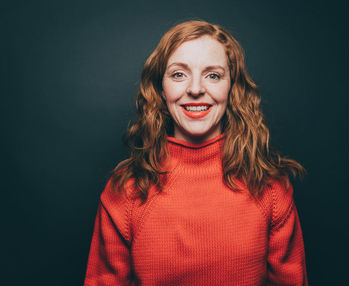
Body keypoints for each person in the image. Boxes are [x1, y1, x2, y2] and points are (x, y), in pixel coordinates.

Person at [84, 20, 308, 285]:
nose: (195, 89)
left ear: (231, 88)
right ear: (160, 89)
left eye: (213, 75)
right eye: (179, 74)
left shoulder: (270, 188)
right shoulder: (127, 190)